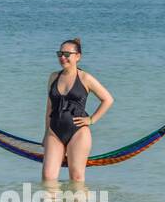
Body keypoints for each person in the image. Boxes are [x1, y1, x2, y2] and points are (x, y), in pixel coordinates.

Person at [43, 37, 113, 183]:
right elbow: (49, 107)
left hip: (78, 133)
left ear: (78, 57)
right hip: (54, 132)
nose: (63, 57)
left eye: (67, 54)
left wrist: (91, 119)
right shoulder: (53, 77)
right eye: (60, 54)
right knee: (48, 178)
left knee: (76, 178)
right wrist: (45, 133)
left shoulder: (85, 78)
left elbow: (108, 99)